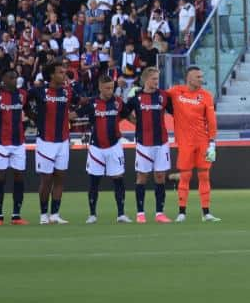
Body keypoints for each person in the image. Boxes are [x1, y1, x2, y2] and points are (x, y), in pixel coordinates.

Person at [170, 66, 220, 223]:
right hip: (185, 143)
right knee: (185, 176)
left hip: (202, 142)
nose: (201, 79)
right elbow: (159, 98)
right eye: (198, 77)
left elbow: (211, 121)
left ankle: (206, 213)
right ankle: (181, 212)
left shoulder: (206, 96)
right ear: (189, 78)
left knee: (204, 176)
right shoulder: (176, 92)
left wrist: (212, 142)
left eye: (201, 76)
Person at [80, 74, 130, 224]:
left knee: (118, 179)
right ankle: (92, 214)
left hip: (114, 146)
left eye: (112, 88)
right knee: (94, 181)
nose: (110, 91)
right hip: (96, 147)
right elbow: (75, 115)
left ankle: (121, 214)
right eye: (107, 88)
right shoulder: (92, 103)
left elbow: (128, 117)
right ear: (100, 87)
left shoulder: (118, 102)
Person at [127, 67, 174, 224]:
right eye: (154, 79)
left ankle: (159, 213)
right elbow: (124, 113)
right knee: (142, 176)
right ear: (146, 80)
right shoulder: (136, 97)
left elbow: (175, 112)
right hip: (143, 143)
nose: (156, 81)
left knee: (160, 176)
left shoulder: (163, 96)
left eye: (157, 79)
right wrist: (135, 122)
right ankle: (140, 213)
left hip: (161, 143)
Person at [30, 63, 73, 225]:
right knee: (46, 179)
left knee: (60, 178)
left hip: (63, 141)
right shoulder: (39, 91)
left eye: (64, 72)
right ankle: (43, 215)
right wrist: (33, 116)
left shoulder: (68, 91)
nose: (64, 75)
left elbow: (82, 101)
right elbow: (24, 101)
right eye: (61, 72)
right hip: (45, 142)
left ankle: (55, 214)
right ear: (51, 75)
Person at [0, 72, 29, 224]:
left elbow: (29, 110)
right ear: (3, 79)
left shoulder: (23, 94)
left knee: (19, 176)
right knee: (1, 176)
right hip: (0, 143)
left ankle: (16, 215)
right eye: (10, 77)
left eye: (15, 77)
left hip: (18, 142)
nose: (14, 80)